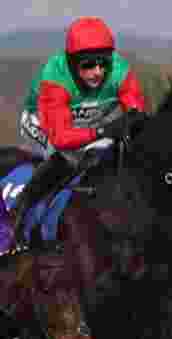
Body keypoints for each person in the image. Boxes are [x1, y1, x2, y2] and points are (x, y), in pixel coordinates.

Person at [15, 16, 147, 244]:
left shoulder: (120, 70)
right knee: (65, 160)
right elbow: (62, 138)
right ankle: (21, 216)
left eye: (103, 63)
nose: (98, 72)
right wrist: (104, 131)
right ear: (72, 62)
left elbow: (137, 116)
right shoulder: (55, 78)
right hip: (45, 122)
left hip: (88, 123)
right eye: (88, 65)